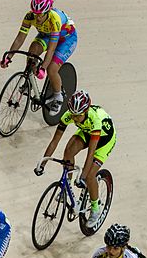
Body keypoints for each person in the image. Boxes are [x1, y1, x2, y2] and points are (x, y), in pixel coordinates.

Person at [35, 89, 115, 229]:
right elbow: (55, 141)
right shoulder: (69, 115)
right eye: (73, 114)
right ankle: (67, 187)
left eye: (78, 116)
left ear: (85, 111)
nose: (75, 118)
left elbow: (91, 153)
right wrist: (43, 162)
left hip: (104, 140)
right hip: (87, 131)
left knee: (90, 175)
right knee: (68, 152)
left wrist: (83, 176)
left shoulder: (95, 120)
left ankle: (95, 209)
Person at [1, 0, 78, 113]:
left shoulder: (55, 20)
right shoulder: (29, 16)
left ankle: (58, 96)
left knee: (51, 69)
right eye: (35, 13)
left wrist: (43, 67)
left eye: (41, 14)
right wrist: (9, 56)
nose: (38, 17)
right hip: (47, 35)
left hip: (66, 39)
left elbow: (51, 49)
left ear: (48, 11)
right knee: (33, 51)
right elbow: (19, 38)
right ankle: (29, 80)